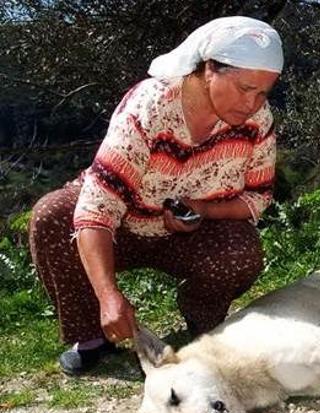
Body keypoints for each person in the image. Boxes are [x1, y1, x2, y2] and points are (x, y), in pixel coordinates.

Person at [28, 16, 284, 376]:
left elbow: (257, 197)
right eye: (244, 88)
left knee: (240, 252)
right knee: (51, 215)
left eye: (263, 93)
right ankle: (92, 338)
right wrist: (108, 295)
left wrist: (204, 211)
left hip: (187, 235)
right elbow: (96, 210)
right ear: (209, 68)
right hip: (122, 226)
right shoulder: (149, 106)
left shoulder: (258, 122)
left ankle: (204, 324)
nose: (252, 104)